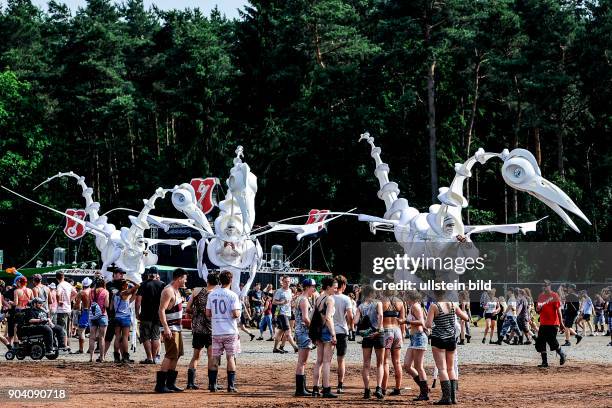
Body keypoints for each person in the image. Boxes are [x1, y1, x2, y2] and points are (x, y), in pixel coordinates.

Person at [425, 290, 470, 405]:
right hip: (451, 340)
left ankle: (446, 397)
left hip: (438, 339)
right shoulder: (453, 304)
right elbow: (466, 318)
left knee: (442, 369)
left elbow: (428, 324)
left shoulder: (434, 306)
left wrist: (434, 323)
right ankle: (453, 397)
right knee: (450, 368)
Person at [206, 270, 241, 393]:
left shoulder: (212, 294)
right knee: (230, 357)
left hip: (216, 330)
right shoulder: (233, 295)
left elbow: (208, 313)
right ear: (231, 280)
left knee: (214, 357)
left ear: (220, 280)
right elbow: (236, 313)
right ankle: (230, 386)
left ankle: (212, 385)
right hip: (230, 330)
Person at [155, 268, 188, 393]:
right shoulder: (168, 291)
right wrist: (166, 328)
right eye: (185, 278)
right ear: (179, 278)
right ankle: (160, 385)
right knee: (170, 355)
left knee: (177, 354)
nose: (186, 281)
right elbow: (161, 310)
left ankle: (170, 383)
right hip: (171, 328)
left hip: (177, 328)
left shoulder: (177, 291)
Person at [186, 271, 218, 391]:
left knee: (196, 356)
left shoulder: (196, 291)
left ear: (207, 280)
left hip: (197, 328)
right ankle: (212, 384)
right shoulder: (217, 294)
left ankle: (190, 383)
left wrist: (197, 313)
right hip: (212, 328)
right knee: (211, 356)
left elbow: (188, 309)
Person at [310, 276, 338, 398]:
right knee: (327, 361)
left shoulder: (319, 297)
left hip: (318, 330)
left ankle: (315, 388)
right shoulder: (330, 299)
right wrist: (333, 334)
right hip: (327, 330)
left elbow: (312, 316)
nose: (336, 290)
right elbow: (328, 317)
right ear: (328, 287)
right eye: (334, 287)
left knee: (319, 361)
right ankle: (326, 388)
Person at [355, 285, 384, 399]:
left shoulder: (361, 306)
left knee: (366, 364)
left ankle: (367, 390)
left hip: (366, 335)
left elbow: (355, 321)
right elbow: (381, 315)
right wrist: (379, 328)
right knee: (379, 363)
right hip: (378, 334)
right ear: (373, 293)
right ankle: (378, 388)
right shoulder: (378, 303)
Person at [400, 290, 429, 401]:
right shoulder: (414, 306)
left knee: (419, 366)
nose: (404, 298)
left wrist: (405, 321)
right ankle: (424, 388)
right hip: (414, 338)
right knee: (407, 365)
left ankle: (424, 392)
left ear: (410, 297)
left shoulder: (415, 306)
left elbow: (421, 321)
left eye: (406, 296)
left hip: (418, 337)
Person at [135, 267, 165, 364]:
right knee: (156, 337)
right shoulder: (162, 285)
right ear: (157, 274)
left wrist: (137, 313)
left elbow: (138, 301)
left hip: (145, 315)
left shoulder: (143, 285)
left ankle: (149, 358)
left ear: (148, 274)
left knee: (146, 337)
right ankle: (155, 357)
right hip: (157, 315)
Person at [535, 280, 567, 368]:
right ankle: (544, 362)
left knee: (552, 341)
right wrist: (538, 308)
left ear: (550, 286)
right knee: (540, 342)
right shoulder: (541, 296)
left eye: (546, 285)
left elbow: (558, 310)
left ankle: (562, 354)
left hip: (553, 323)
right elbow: (538, 310)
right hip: (543, 323)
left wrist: (561, 323)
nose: (544, 287)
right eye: (543, 286)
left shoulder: (554, 296)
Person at [294, 279, 317, 397]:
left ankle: (302, 388)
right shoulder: (304, 300)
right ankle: (300, 390)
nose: (314, 289)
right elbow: (305, 318)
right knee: (302, 362)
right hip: (304, 332)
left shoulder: (301, 298)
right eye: (313, 286)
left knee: (302, 362)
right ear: (307, 287)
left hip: (300, 332)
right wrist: (313, 329)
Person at [380, 290, 405, 396]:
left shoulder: (382, 301)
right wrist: (403, 333)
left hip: (386, 331)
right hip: (397, 331)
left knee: (385, 361)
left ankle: (383, 388)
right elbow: (402, 320)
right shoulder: (400, 302)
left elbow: (379, 318)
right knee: (397, 362)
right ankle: (397, 388)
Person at [333, 275, 353, 394]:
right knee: (341, 360)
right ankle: (340, 385)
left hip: (329, 331)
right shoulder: (346, 299)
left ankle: (322, 384)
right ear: (344, 285)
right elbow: (350, 315)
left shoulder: (328, 296)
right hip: (341, 331)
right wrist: (351, 327)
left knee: (326, 360)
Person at [103, 267, 128, 362]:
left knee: (121, 337)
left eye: (122, 274)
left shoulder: (124, 284)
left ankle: (122, 357)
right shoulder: (109, 284)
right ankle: (103, 355)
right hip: (111, 314)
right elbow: (114, 295)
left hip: (122, 314)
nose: (121, 275)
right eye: (119, 273)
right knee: (109, 336)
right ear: (114, 274)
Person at [113, 278, 140, 363]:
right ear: (123, 285)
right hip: (125, 317)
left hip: (117, 316)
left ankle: (116, 356)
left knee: (117, 337)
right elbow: (138, 286)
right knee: (125, 337)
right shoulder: (125, 293)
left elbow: (111, 307)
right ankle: (125, 356)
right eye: (126, 284)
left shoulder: (115, 294)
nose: (127, 285)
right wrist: (129, 279)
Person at [272, 275, 298, 353]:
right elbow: (274, 302)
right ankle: (295, 347)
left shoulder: (290, 290)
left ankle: (275, 348)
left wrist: (293, 299)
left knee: (280, 331)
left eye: (288, 281)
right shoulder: (279, 291)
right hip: (282, 313)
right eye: (285, 282)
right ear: (282, 282)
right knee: (288, 331)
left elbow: (288, 302)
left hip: (288, 313)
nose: (287, 283)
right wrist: (281, 302)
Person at [89, 278, 109, 363]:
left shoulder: (91, 291)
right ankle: (102, 357)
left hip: (93, 315)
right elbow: (106, 305)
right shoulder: (105, 291)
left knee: (92, 337)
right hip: (102, 315)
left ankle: (91, 357)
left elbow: (90, 303)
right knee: (102, 338)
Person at [55, 272, 77, 351]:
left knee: (62, 328)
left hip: (62, 310)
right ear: (63, 276)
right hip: (68, 308)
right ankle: (67, 345)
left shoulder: (59, 285)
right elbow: (75, 293)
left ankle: (64, 346)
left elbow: (58, 294)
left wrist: (59, 301)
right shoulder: (68, 284)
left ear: (57, 278)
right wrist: (69, 300)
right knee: (67, 328)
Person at [73, 277, 93, 354]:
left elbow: (77, 305)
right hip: (93, 312)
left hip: (85, 311)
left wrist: (74, 309)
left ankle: (81, 349)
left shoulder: (81, 293)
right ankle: (91, 349)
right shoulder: (93, 291)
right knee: (93, 331)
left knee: (81, 331)